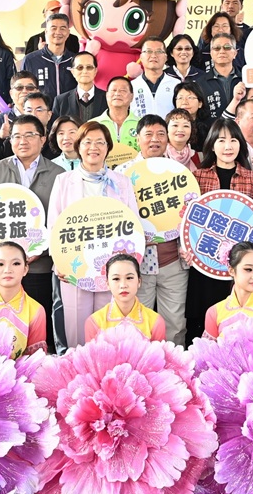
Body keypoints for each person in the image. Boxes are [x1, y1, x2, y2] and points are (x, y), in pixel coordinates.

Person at [48, 121, 137, 349]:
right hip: (74, 265)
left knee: (109, 323)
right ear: (78, 146)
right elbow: (54, 225)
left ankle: (108, 365)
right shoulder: (63, 181)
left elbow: (133, 224)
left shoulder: (122, 182)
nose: (93, 147)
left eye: (100, 142)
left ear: (108, 147)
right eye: (87, 142)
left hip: (113, 266)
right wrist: (60, 261)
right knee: (76, 323)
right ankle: (78, 367)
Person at [0, 115, 63, 351]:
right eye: (16, 136)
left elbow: (60, 220)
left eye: (29, 135)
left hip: (39, 266)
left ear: (43, 139)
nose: (22, 141)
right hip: (2, 266)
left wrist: (42, 251)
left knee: (38, 326)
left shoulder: (58, 174)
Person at [187, 120, 253, 343]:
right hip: (204, 257)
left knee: (236, 317)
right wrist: (187, 247)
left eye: (233, 140)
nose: (228, 146)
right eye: (221, 140)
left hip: (239, 263)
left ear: (241, 144)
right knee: (202, 315)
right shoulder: (197, 177)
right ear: (212, 145)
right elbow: (187, 219)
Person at [115, 115, 187, 346]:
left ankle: (175, 365)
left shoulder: (179, 172)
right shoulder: (121, 174)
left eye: (160, 134)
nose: (155, 139)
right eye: (148, 134)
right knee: (136, 324)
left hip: (174, 260)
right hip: (137, 263)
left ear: (167, 139)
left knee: (175, 323)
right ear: (137, 139)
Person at [83, 254, 165, 342]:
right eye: (116, 279)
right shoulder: (94, 322)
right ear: (107, 284)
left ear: (139, 282)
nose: (123, 285)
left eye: (129, 278)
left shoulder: (155, 321)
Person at [0, 92, 53, 166]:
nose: (33, 114)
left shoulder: (55, 140)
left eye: (39, 110)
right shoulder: (12, 142)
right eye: (29, 110)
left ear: (49, 115)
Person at [22, 13, 77, 104]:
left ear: (68, 33)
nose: (58, 32)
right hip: (42, 111)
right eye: (53, 28)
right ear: (46, 32)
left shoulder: (75, 60)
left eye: (62, 28)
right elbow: (23, 89)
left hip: (70, 111)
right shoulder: (30, 60)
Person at [0, 70, 40, 147]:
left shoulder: (46, 116)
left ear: (37, 92)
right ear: (11, 93)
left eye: (30, 88)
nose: (24, 91)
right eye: (19, 88)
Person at [193, 32, 245, 119]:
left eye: (227, 47)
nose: (222, 51)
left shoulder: (246, 79)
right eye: (217, 48)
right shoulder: (199, 83)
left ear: (235, 53)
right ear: (211, 53)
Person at [130, 36, 181, 118]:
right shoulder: (131, 86)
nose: (153, 55)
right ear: (141, 57)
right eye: (149, 51)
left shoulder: (177, 85)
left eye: (159, 51)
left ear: (166, 57)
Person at [50, 51, 106, 122]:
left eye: (89, 67)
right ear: (72, 72)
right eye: (80, 67)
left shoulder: (107, 98)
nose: (85, 71)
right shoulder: (61, 101)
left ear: (95, 71)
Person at [92, 76, 140, 151]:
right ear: (106, 95)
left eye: (123, 90)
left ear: (132, 96)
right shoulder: (93, 125)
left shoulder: (141, 124)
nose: (117, 93)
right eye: (113, 90)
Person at [173, 81, 212, 149]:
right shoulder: (169, 125)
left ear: (200, 103)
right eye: (180, 98)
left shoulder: (208, 128)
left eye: (190, 98)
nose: (184, 102)